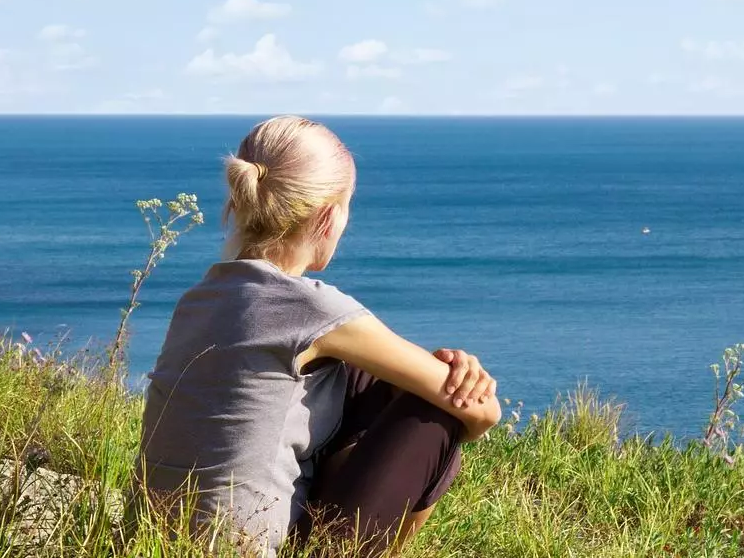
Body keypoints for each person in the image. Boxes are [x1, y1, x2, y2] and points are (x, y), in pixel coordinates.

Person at [137, 115, 502, 556]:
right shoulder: (315, 310)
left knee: (362, 375)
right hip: (245, 549)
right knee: (433, 412)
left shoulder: (198, 299)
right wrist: (461, 385)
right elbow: (480, 411)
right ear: (329, 216)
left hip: (152, 540)